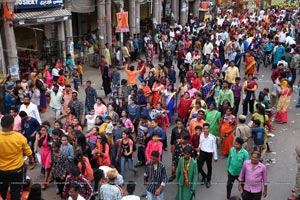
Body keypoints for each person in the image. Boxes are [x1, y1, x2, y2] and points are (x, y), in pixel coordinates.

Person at [0, 115, 34, 200]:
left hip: (1, 171)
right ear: (12, 125)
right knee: (16, 191)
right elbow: (28, 152)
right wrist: (31, 160)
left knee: (2, 191)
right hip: (17, 171)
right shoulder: (19, 137)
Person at [198, 123, 218, 188]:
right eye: (204, 129)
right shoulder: (201, 135)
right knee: (199, 167)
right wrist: (198, 153)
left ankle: (208, 180)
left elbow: (214, 146)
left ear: (209, 129)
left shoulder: (212, 137)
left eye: (207, 128)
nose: (206, 130)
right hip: (202, 152)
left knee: (209, 167)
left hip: (209, 154)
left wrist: (215, 157)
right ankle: (204, 176)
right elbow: (200, 144)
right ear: (203, 129)